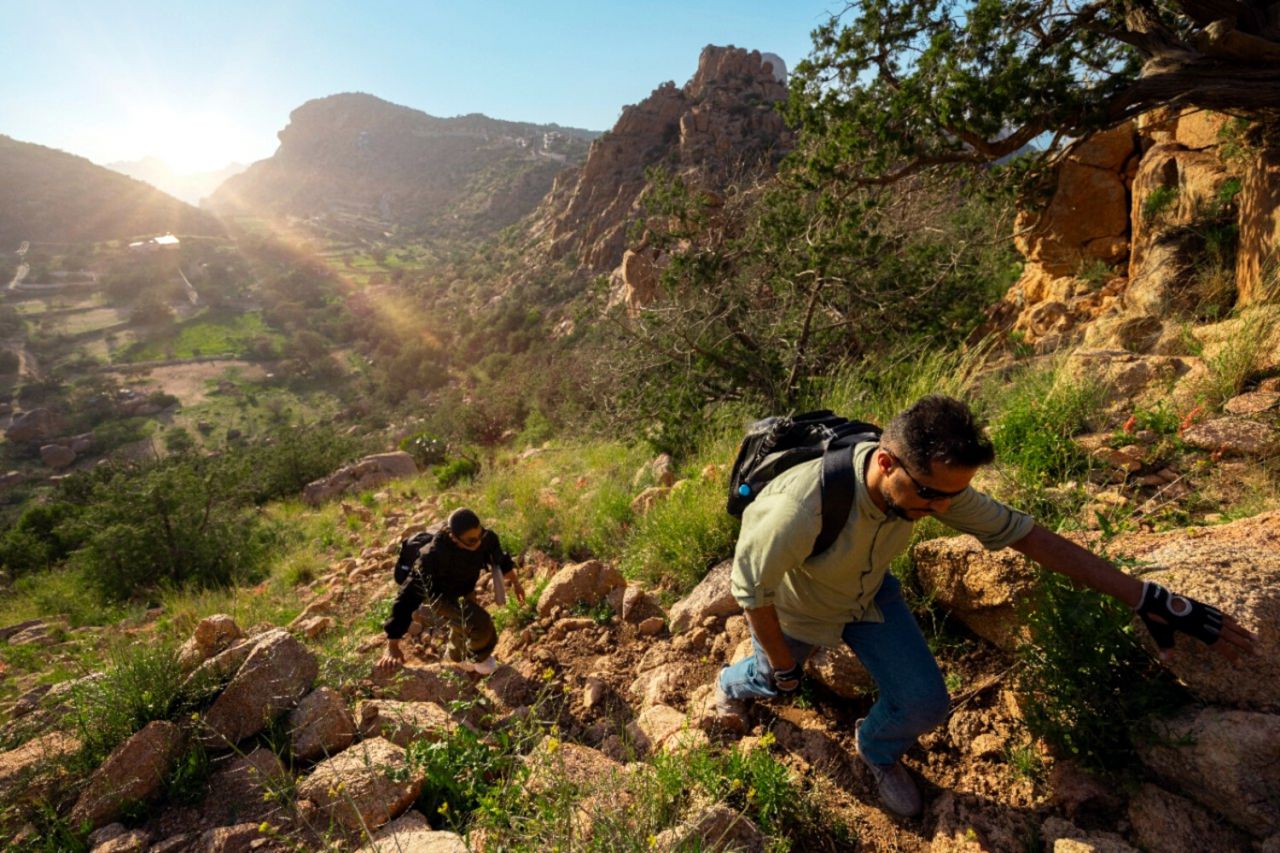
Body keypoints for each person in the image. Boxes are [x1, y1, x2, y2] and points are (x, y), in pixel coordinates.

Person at [711, 395, 1256, 818]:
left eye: (952, 496)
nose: (943, 508)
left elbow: (1030, 537)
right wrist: (783, 665)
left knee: (926, 704)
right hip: (799, 609)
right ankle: (730, 685)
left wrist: (1146, 596)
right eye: (931, 495)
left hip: (869, 596)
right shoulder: (796, 507)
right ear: (885, 462)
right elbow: (751, 590)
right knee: (772, 677)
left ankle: (875, 750)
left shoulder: (931, 485)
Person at [376, 507, 525, 677]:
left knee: (463, 626)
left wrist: (516, 583)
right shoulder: (432, 556)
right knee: (481, 625)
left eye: (479, 535)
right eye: (470, 541)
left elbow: (501, 560)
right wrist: (392, 646)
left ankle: (456, 657)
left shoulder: (484, 538)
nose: (477, 543)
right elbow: (406, 598)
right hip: (440, 595)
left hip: (465, 588)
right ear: (454, 537)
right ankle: (478, 659)